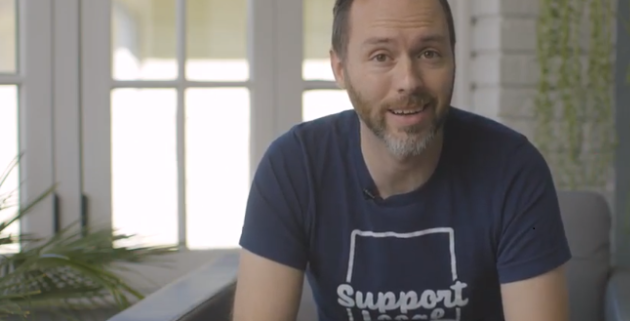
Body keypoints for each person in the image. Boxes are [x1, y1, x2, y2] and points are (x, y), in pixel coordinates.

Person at [232, 0, 571, 320]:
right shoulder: (294, 167)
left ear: (453, 58)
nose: (409, 81)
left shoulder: (513, 170)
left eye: (429, 53)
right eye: (381, 56)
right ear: (340, 68)